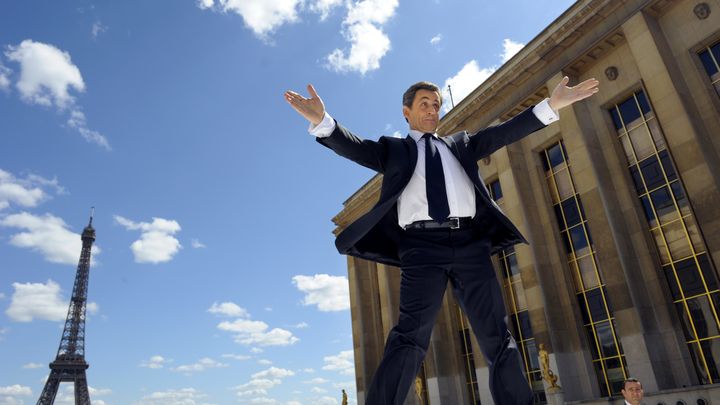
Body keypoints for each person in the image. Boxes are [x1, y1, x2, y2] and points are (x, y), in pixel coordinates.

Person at [284, 76, 598, 405]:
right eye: (425, 104)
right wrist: (323, 121)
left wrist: (553, 104)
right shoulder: (395, 150)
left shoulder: (462, 144)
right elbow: (356, 147)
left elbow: (504, 132)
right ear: (406, 112)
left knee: (497, 335)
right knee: (409, 337)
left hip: (470, 244)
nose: (433, 110)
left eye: (436, 105)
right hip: (421, 248)